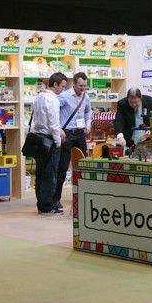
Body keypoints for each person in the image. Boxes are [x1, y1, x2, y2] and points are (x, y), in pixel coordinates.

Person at [31, 72, 68, 216]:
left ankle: (41, 205)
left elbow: (36, 119)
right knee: (50, 174)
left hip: (39, 139)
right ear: (55, 84)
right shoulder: (53, 100)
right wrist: (58, 142)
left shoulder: (39, 97)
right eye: (62, 86)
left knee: (40, 173)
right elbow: (53, 123)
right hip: (50, 140)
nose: (63, 90)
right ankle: (48, 206)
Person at [55, 72, 92, 209]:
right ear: (74, 84)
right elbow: (54, 111)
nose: (83, 88)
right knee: (62, 167)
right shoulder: (64, 96)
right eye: (80, 86)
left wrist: (88, 125)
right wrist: (58, 128)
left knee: (83, 165)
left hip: (80, 134)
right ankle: (56, 199)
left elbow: (88, 111)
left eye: (85, 86)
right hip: (67, 135)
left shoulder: (86, 97)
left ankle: (84, 195)